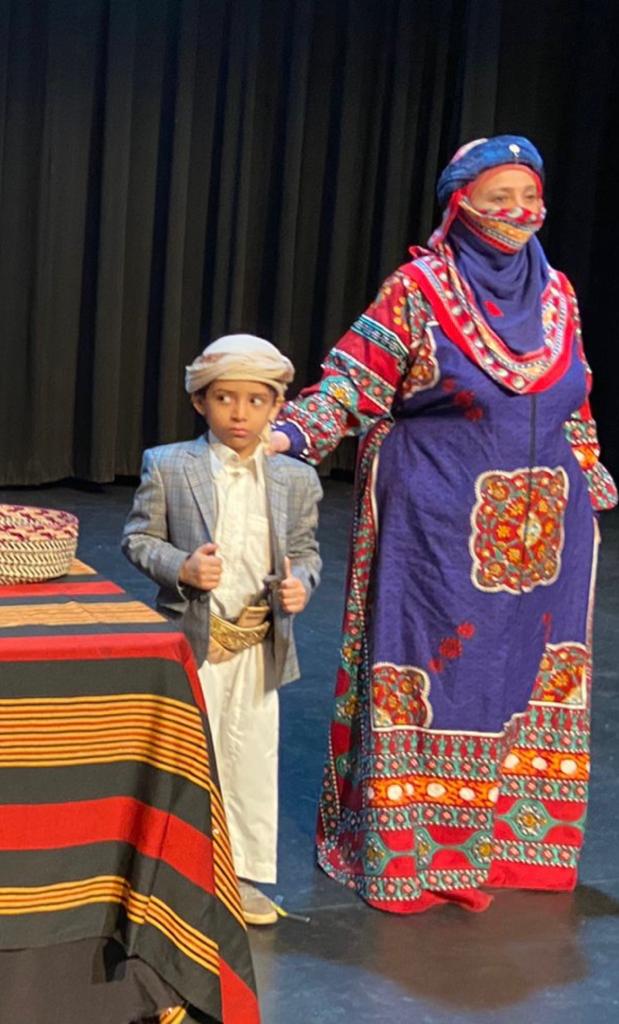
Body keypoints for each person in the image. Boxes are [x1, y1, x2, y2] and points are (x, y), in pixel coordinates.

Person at [269, 136, 618, 913]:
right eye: (498, 199)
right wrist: (287, 433)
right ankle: (416, 855)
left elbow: (575, 393)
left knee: (526, 673)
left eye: (528, 197)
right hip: (437, 521)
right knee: (436, 677)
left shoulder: (557, 293)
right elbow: (353, 380)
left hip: (545, 529)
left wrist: (588, 477)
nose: (517, 213)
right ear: (459, 205)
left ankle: (501, 848)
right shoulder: (418, 288)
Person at [122, 334, 322, 925]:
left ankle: (241, 878)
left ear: (277, 406)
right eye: (225, 398)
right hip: (196, 641)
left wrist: (301, 585)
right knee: (189, 760)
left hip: (258, 644)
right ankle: (178, 879)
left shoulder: (295, 479)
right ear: (200, 402)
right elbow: (138, 539)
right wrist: (181, 567)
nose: (240, 413)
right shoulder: (168, 465)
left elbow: (306, 552)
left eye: (256, 400)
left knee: (251, 763)